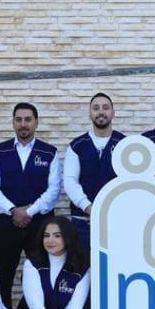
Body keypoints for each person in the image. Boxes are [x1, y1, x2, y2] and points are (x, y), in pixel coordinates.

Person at [0, 102, 61, 309]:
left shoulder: (49, 152)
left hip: (40, 226)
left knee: (41, 275)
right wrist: (13, 210)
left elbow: (54, 189)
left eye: (28, 119)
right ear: (13, 123)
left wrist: (29, 211)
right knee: (2, 277)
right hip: (5, 224)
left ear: (36, 122)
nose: (23, 124)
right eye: (18, 119)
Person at [63, 92, 125, 253]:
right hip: (82, 221)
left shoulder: (125, 144)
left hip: (116, 220)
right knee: (83, 265)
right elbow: (70, 182)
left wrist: (106, 212)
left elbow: (129, 184)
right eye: (96, 108)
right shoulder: (77, 145)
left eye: (106, 107)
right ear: (89, 114)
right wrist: (90, 208)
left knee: (115, 264)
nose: (101, 112)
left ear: (113, 112)